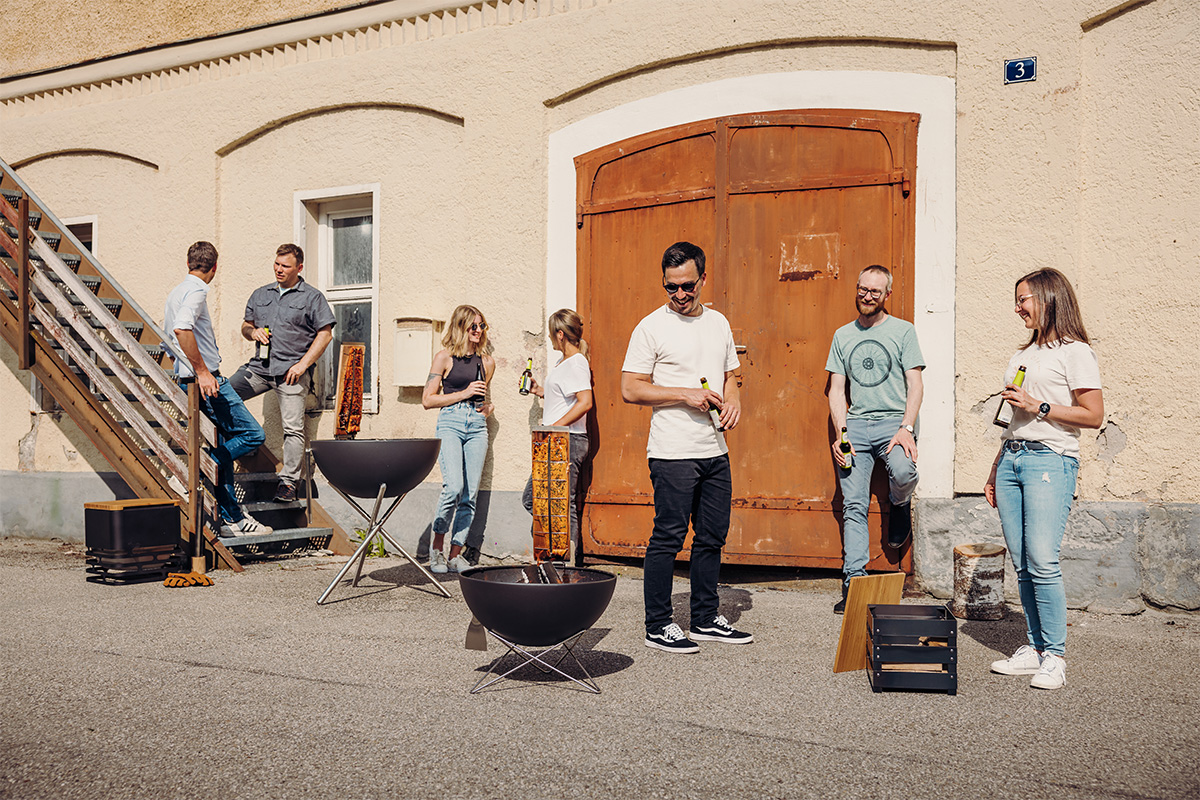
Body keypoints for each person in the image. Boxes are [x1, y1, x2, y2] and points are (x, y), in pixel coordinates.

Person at [621, 241, 751, 653]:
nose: (679, 295)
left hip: (715, 448)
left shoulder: (718, 323)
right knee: (668, 537)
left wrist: (734, 402)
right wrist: (684, 395)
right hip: (672, 450)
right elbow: (629, 388)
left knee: (712, 536)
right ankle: (658, 624)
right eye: (671, 287)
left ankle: (705, 619)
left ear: (703, 279)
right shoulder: (650, 327)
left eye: (687, 286)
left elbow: (733, 374)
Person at [985, 268, 1103, 690]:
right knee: (1022, 564)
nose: (1017, 308)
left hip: (1050, 461)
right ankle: (1033, 648)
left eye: (1024, 299)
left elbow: (1093, 415)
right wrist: (996, 466)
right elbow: (1013, 420)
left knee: (1042, 560)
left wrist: (1041, 406)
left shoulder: (1075, 352)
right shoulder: (1022, 355)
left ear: (1049, 298)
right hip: (1014, 458)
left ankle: (1055, 656)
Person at [826, 264, 925, 614]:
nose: (867, 297)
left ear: (887, 295)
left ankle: (900, 504)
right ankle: (854, 580)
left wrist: (906, 427)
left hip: (894, 424)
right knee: (853, 505)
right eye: (863, 290)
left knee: (903, 473)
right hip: (856, 426)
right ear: (857, 288)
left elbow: (915, 384)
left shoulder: (903, 331)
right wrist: (842, 434)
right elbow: (836, 390)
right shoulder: (843, 335)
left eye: (875, 292)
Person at [163, 241, 272, 536]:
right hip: (208, 381)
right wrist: (201, 371)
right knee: (252, 435)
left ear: (188, 263)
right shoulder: (198, 290)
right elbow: (181, 329)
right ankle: (192, 471)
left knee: (223, 446)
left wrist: (186, 368)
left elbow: (168, 342)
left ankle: (232, 519)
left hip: (192, 380)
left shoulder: (176, 292)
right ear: (213, 268)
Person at [230, 244, 335, 502]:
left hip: (292, 372)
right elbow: (246, 325)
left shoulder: (312, 297)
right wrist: (251, 332)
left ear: (299, 268)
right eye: (277, 264)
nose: (279, 269)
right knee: (223, 395)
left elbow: (325, 334)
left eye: (285, 266)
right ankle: (231, 446)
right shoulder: (261, 293)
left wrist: (303, 365)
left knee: (293, 429)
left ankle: (289, 483)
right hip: (259, 368)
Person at [422, 305, 495, 574]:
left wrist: (488, 409)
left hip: (476, 426)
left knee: (470, 493)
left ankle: (456, 553)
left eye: (482, 326)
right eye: (473, 326)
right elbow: (427, 400)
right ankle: (437, 550)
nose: (478, 331)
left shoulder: (487, 362)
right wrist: (463, 393)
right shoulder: (444, 358)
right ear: (461, 327)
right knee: (453, 487)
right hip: (450, 421)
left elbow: (483, 398)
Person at [521, 309, 594, 558]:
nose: (551, 339)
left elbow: (585, 402)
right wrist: (541, 391)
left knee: (561, 503)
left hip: (567, 440)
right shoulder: (563, 363)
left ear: (560, 334)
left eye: (553, 334)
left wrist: (556, 429)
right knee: (537, 500)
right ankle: (552, 556)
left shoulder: (577, 362)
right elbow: (565, 398)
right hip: (555, 440)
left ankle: (566, 562)